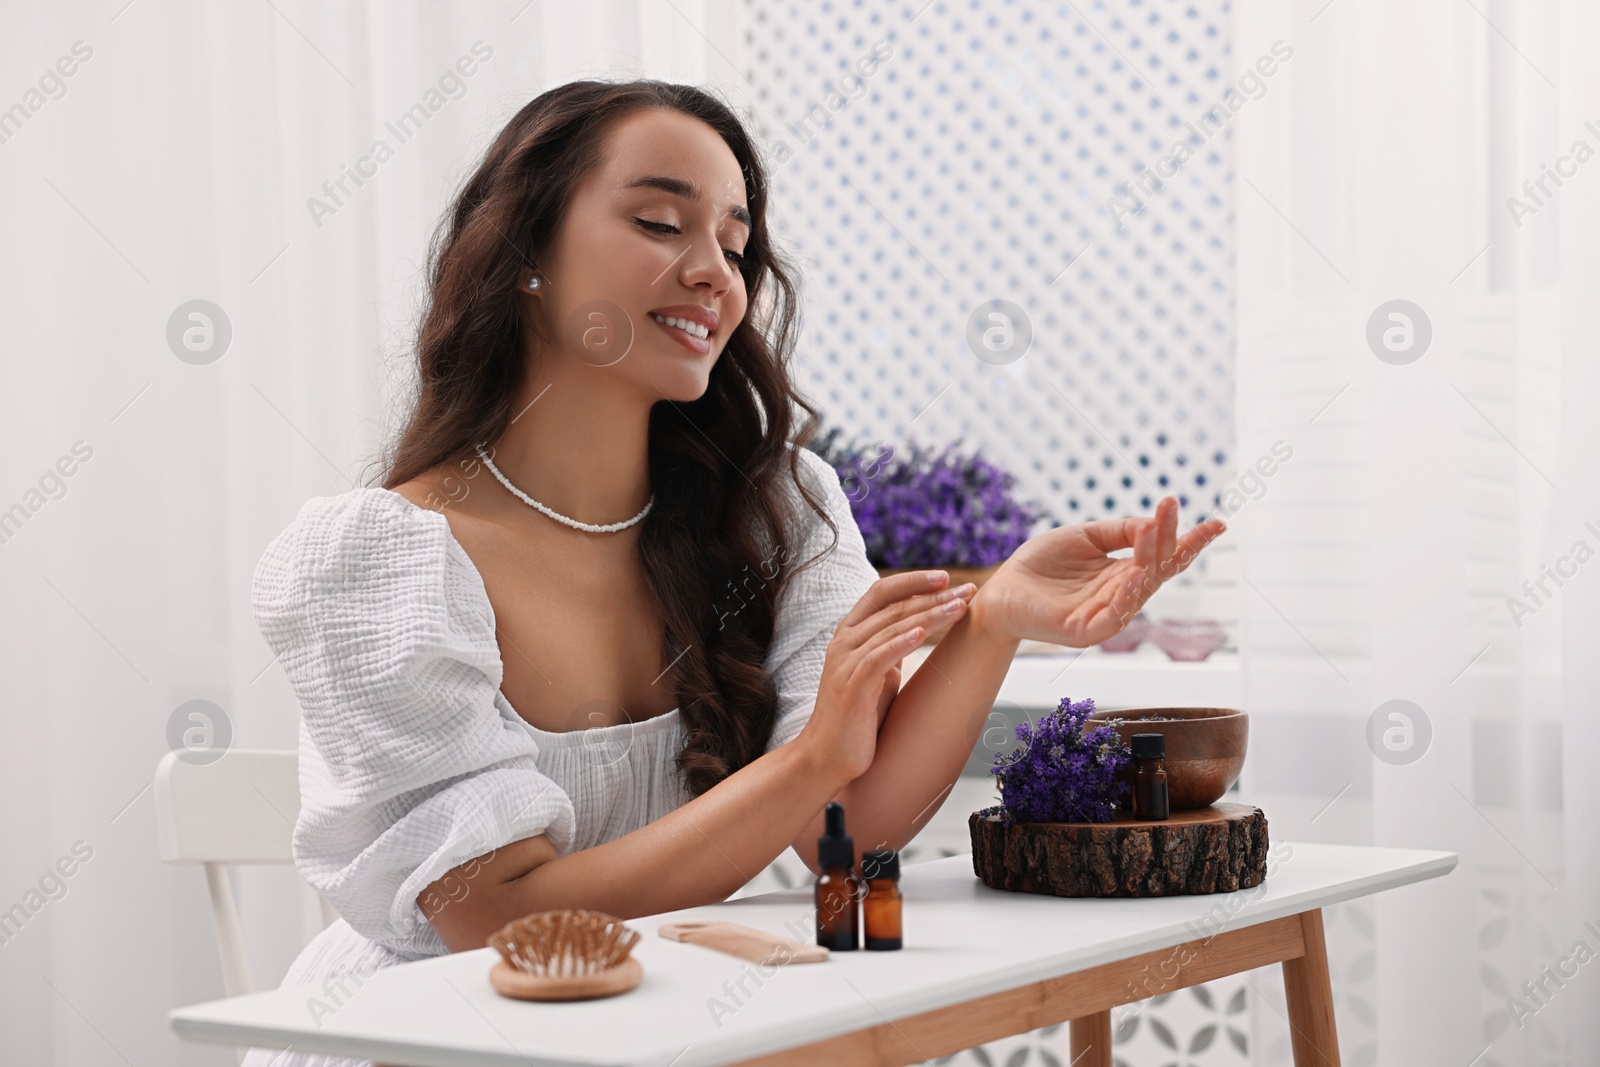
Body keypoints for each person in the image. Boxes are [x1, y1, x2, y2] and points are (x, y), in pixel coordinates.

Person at [241, 79, 1224, 1067]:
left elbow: (850, 817)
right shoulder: (381, 561)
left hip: (670, 1022)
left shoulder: (778, 511)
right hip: (431, 1039)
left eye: (736, 244)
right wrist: (806, 763)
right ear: (525, 252)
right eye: (661, 221)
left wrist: (993, 619)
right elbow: (496, 918)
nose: (713, 271)